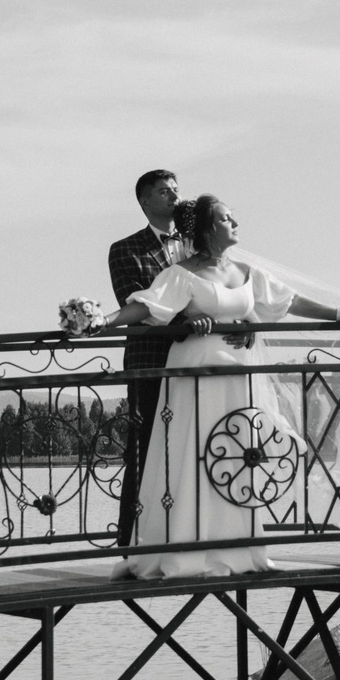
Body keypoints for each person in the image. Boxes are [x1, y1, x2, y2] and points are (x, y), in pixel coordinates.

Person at [97, 194, 340, 579]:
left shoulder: (245, 272)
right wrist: (99, 322)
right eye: (227, 219)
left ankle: (241, 550)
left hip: (238, 380)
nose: (235, 225)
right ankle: (186, 550)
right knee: (194, 455)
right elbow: (145, 307)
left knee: (240, 458)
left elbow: (287, 300)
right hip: (195, 377)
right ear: (209, 228)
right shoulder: (182, 274)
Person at [105, 169, 205, 547]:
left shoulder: (198, 244)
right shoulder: (125, 249)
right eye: (165, 192)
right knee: (144, 446)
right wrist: (190, 320)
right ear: (145, 200)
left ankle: (190, 534)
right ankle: (130, 538)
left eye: (177, 190)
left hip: (198, 358)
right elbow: (138, 304)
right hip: (151, 359)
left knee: (195, 444)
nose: (174, 197)